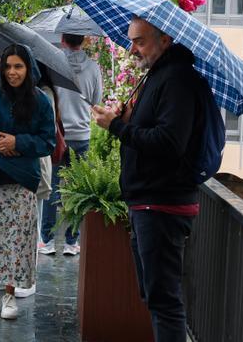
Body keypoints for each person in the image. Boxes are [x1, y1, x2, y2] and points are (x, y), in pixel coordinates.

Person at [91, 18, 207, 342]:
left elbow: (169, 143)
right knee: (155, 298)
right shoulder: (159, 75)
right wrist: (126, 120)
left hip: (162, 205)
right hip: (148, 203)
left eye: (139, 41)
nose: (132, 49)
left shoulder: (177, 79)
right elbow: (153, 131)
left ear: (165, 39)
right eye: (131, 41)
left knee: (164, 302)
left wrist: (116, 127)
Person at [0, 44, 56, 320]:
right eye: (8, 66)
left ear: (28, 69)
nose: (12, 72)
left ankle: (10, 295)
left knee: (17, 240)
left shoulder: (39, 100)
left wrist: (18, 142)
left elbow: (47, 140)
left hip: (21, 179)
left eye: (18, 66)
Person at [39, 33, 103, 256]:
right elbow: (96, 100)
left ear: (63, 40)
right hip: (82, 135)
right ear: (83, 41)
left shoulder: (53, 64)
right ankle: (71, 242)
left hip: (57, 135)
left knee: (51, 188)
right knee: (77, 191)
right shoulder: (93, 68)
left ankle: (46, 241)